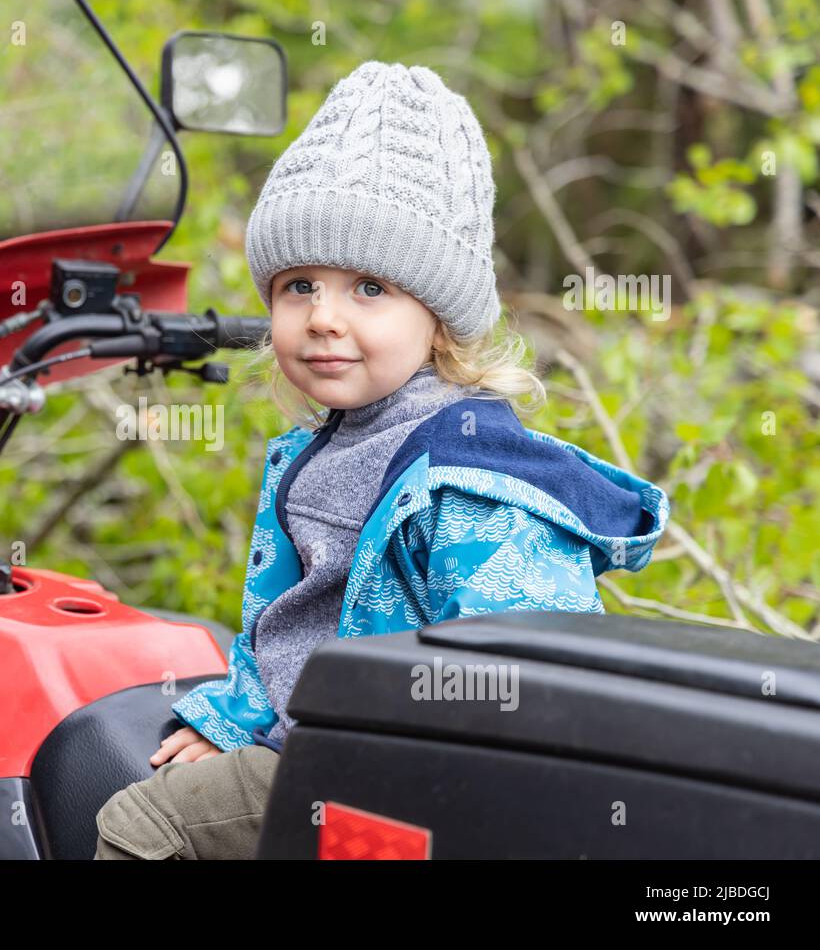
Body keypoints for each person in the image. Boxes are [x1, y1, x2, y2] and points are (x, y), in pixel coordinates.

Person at [93, 61, 670, 860]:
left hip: (398, 784)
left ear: (439, 319)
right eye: (299, 285)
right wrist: (234, 717)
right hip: (326, 747)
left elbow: (532, 684)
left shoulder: (473, 483)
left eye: (368, 287)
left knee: (139, 822)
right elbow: (289, 626)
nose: (323, 317)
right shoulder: (325, 446)